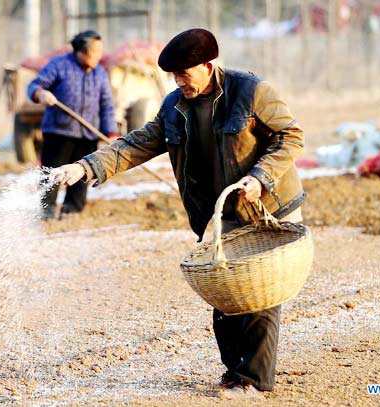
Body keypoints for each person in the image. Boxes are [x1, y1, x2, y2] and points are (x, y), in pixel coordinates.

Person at [54, 28, 306, 398]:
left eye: (184, 73)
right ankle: (234, 371)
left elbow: (291, 136)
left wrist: (260, 177)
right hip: (217, 215)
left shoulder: (251, 92)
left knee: (257, 295)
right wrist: (85, 167)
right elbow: (135, 144)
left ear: (207, 65)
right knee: (224, 293)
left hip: (265, 207)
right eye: (173, 75)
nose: (178, 81)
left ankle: (252, 380)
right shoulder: (175, 106)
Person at [27, 30, 119, 217]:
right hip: (59, 132)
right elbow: (34, 86)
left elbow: (106, 104)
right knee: (51, 174)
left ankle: (72, 210)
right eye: (95, 51)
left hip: (88, 134)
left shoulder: (100, 73)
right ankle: (47, 211)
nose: (99, 56)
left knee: (83, 173)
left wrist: (111, 133)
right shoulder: (59, 65)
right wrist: (41, 93)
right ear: (82, 52)